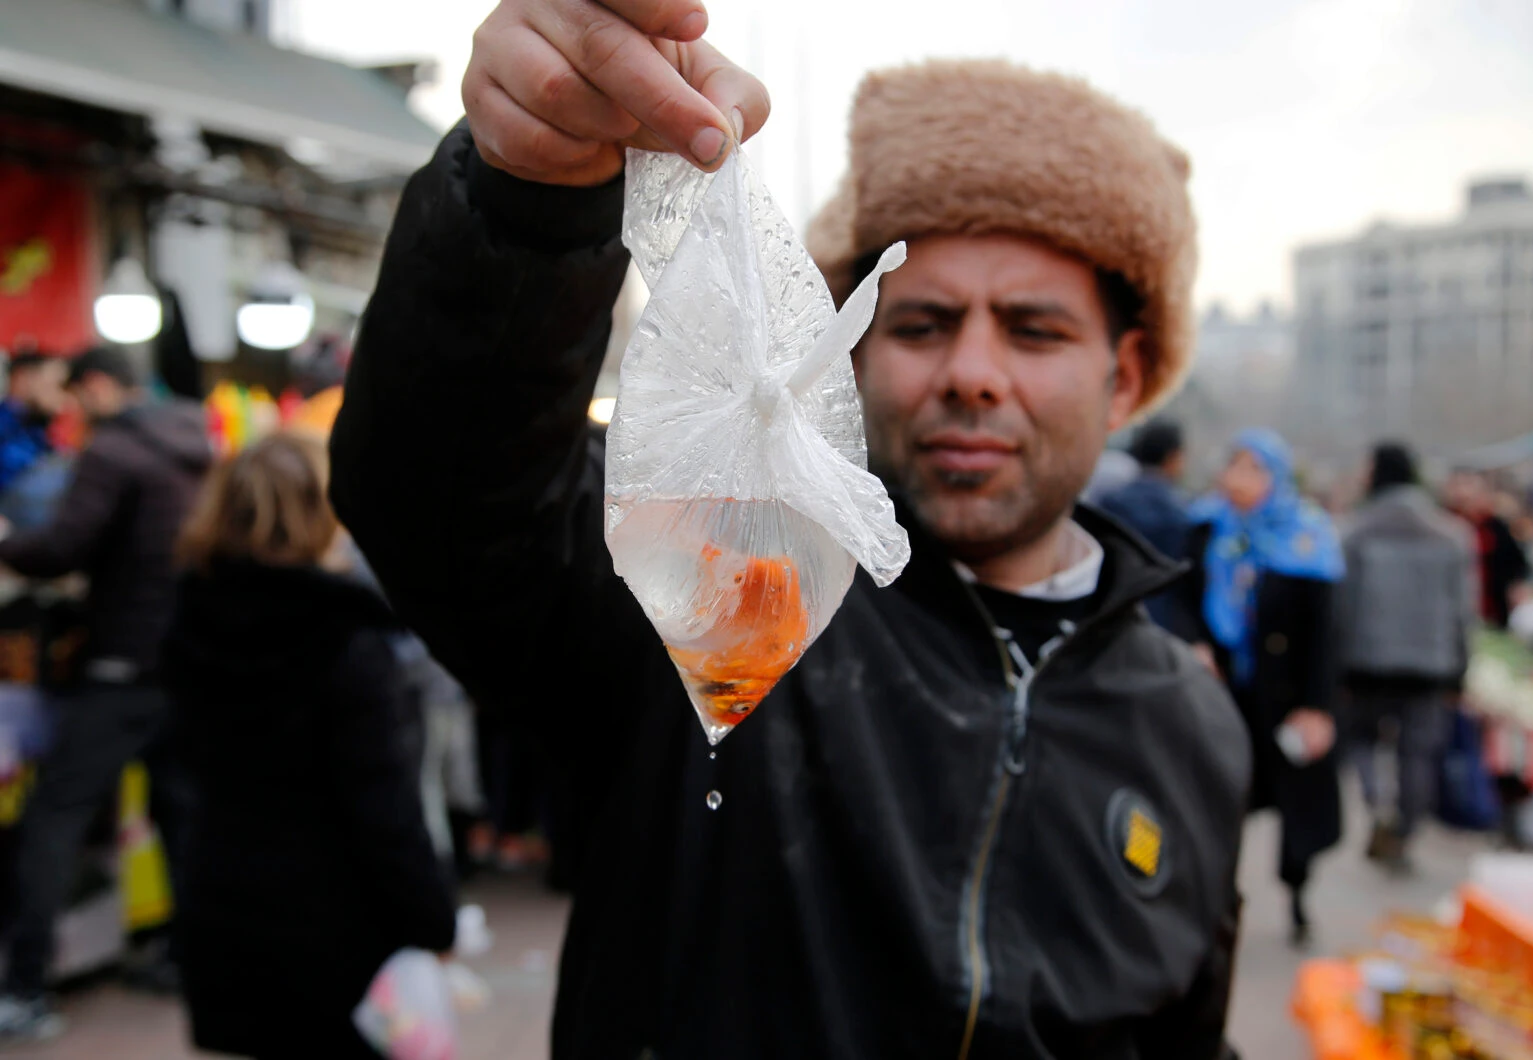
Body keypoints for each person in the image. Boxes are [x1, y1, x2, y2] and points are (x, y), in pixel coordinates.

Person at [330, 6, 1250, 1057]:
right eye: (920, 322)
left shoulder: (1190, 730)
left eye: (1034, 330)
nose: (973, 373)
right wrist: (528, 198)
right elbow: (445, 499)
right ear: (844, 351)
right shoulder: (732, 592)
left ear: (1123, 376)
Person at [163, 433, 456, 1058]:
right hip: (333, 921)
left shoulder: (186, 622)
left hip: (219, 899)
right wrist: (433, 917)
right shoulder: (347, 641)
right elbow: (384, 806)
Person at [0, 346, 211, 1040]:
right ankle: (188, 961)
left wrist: (8, 541)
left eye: (70, 390)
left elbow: (63, 545)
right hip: (178, 667)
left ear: (95, 386)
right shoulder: (189, 443)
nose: (65, 406)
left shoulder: (114, 452)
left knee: (53, 819)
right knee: (182, 820)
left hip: (118, 667)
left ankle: (24, 986)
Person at [1182, 428, 1343, 947]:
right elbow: (1179, 598)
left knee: (1296, 806)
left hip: (1288, 696)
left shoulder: (1307, 537)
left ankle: (1298, 895)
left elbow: (1325, 631)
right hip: (1224, 693)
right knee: (1219, 803)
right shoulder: (1207, 529)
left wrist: (1319, 706)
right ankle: (1216, 901)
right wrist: (1194, 642)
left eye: (1254, 469)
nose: (1240, 480)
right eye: (1235, 466)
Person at [1339, 443, 1476, 870]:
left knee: (1362, 740)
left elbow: (1343, 604)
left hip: (1366, 660)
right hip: (1430, 664)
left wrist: (1337, 661)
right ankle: (1405, 828)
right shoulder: (1451, 535)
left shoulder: (1354, 531)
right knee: (1417, 752)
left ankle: (1377, 803)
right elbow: (1463, 611)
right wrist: (1460, 668)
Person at [1098, 420, 1189, 631]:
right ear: (1172, 457)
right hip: (1163, 624)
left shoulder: (1109, 501)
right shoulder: (1182, 513)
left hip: (1110, 617)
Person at [1444, 468, 1529, 630]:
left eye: (1468, 485)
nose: (1462, 492)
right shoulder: (1441, 525)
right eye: (1457, 485)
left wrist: (1517, 587)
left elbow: (1516, 563)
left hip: (1492, 608)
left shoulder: (1495, 526)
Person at [0, 351, 69, 514]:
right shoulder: (10, 427)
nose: (62, 395)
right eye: (55, 384)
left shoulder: (37, 426)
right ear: (23, 378)